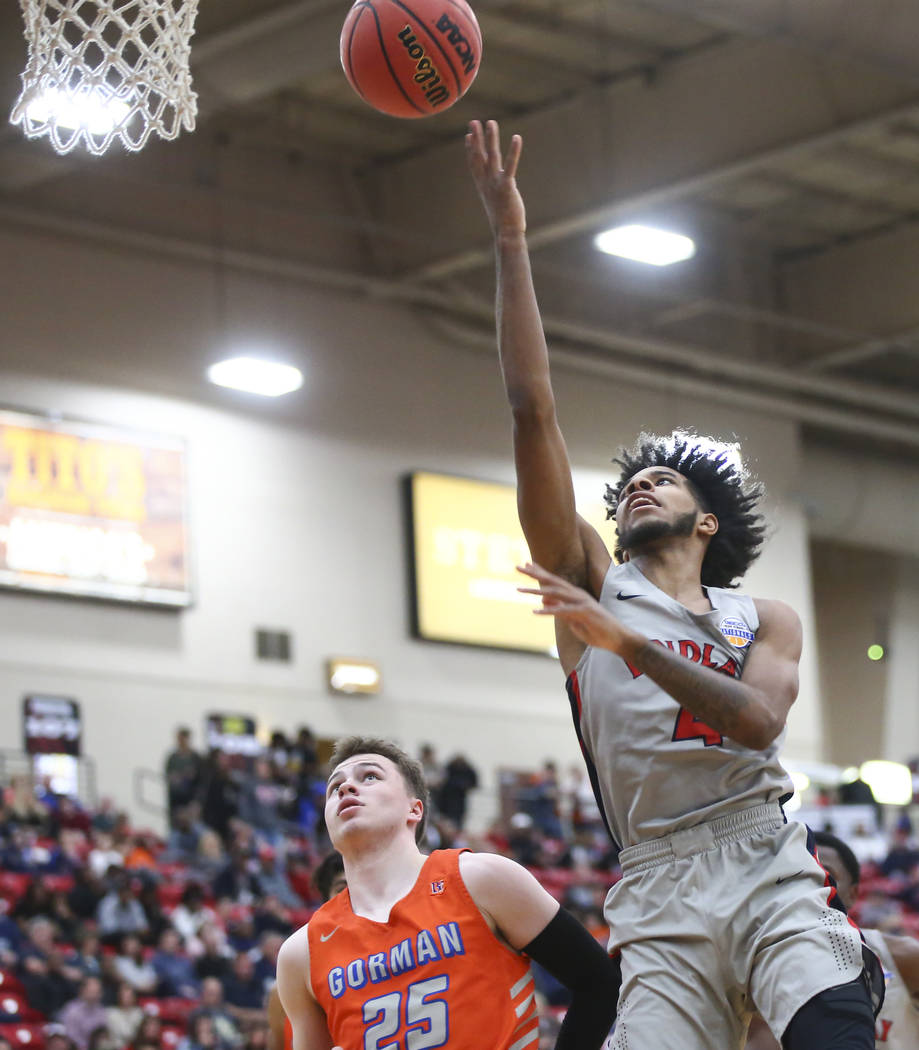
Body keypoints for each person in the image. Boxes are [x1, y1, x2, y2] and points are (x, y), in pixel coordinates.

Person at [465, 117, 881, 1049]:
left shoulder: (762, 616)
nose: (637, 486)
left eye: (663, 481)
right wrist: (509, 238)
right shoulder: (590, 585)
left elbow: (759, 724)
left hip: (764, 856)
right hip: (654, 879)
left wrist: (633, 648)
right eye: (627, 488)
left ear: (705, 522)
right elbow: (531, 407)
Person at [277, 736, 620, 1050]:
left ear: (414, 808)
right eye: (334, 786)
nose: (346, 786)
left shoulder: (482, 879)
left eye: (370, 777)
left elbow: (599, 983)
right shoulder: (300, 954)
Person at [747, 831, 919, 1049]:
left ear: (853, 894)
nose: (806, 887)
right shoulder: (758, 972)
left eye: (823, 873)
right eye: (795, 875)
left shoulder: (902, 957)